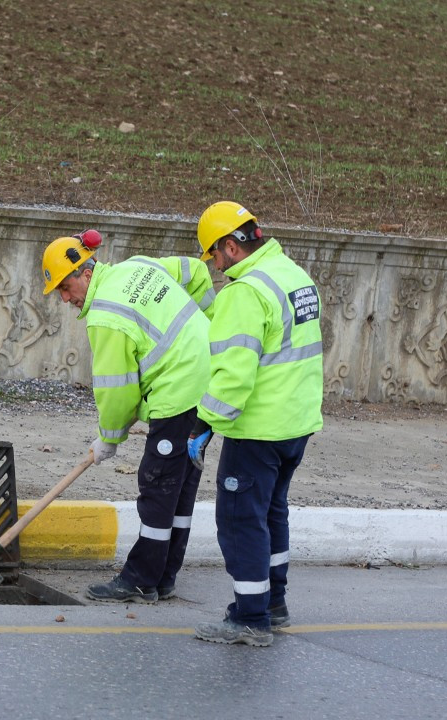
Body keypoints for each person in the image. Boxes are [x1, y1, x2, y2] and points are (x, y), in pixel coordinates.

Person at [42, 229, 210, 603]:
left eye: (66, 287)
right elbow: (197, 272)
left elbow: (118, 391)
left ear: (86, 271)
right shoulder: (139, 266)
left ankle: (140, 579)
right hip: (210, 384)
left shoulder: (105, 316)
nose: (65, 298)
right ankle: (165, 576)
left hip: (178, 391)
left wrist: (109, 438)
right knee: (180, 487)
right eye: (59, 293)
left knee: (157, 484)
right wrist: (207, 327)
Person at [185, 201, 323, 646]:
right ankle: (274, 603)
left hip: (257, 429)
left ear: (231, 246)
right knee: (271, 512)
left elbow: (233, 374)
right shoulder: (295, 276)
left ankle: (250, 618)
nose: (215, 266)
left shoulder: (244, 293)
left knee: (241, 520)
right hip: (296, 425)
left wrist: (205, 423)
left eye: (214, 255)